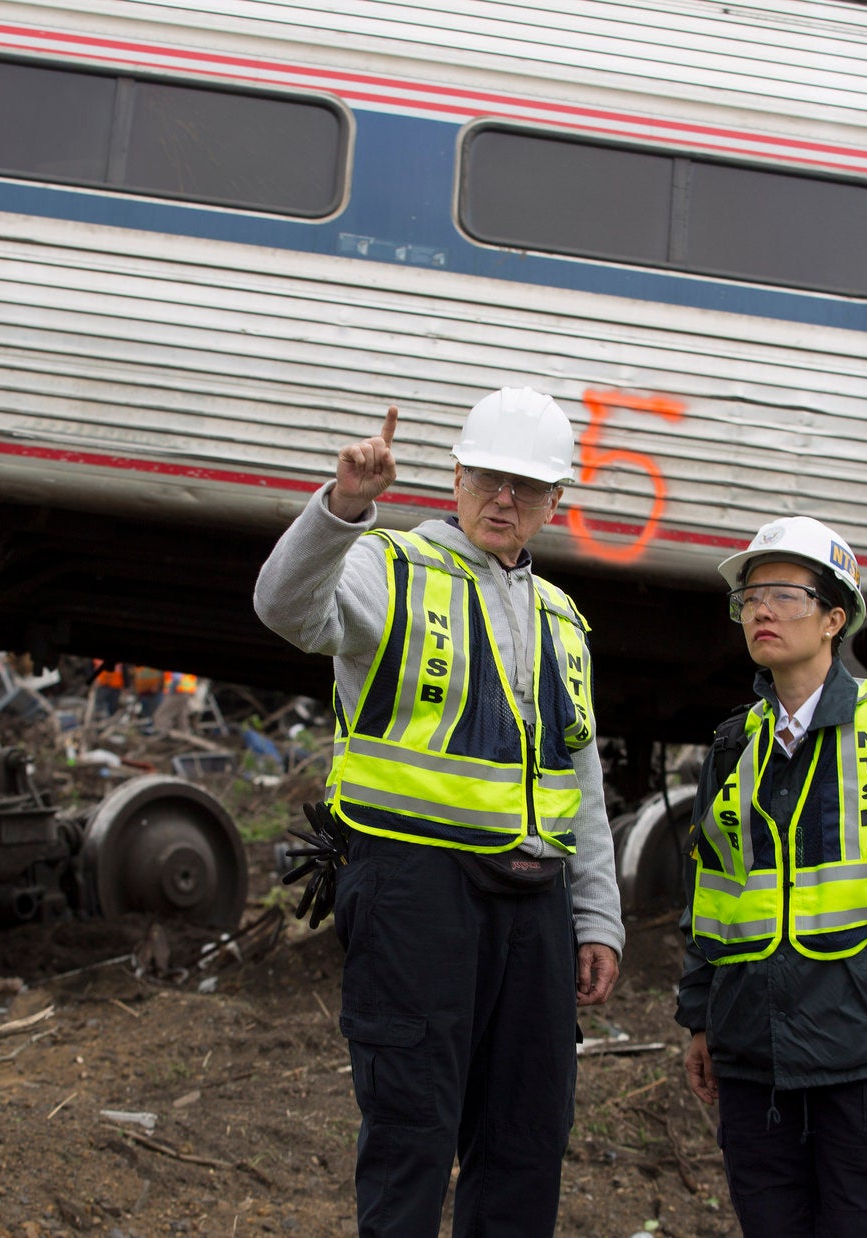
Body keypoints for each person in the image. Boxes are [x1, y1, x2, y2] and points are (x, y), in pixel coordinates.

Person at [254, 388, 623, 1238]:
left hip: (534, 906)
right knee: (412, 1138)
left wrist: (596, 917)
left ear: (553, 503)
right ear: (456, 477)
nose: (505, 499)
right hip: (417, 893)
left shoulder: (562, 618)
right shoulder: (389, 569)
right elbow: (282, 606)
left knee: (527, 1141)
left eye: (527, 488)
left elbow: (582, 780)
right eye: (491, 478)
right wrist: (345, 506)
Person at [677, 516, 867, 1238]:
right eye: (749, 598)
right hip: (755, 1061)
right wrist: (699, 1017)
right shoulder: (732, 747)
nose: (760, 610)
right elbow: (713, 898)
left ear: (833, 618)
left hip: (865, 1055)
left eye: (783, 594)